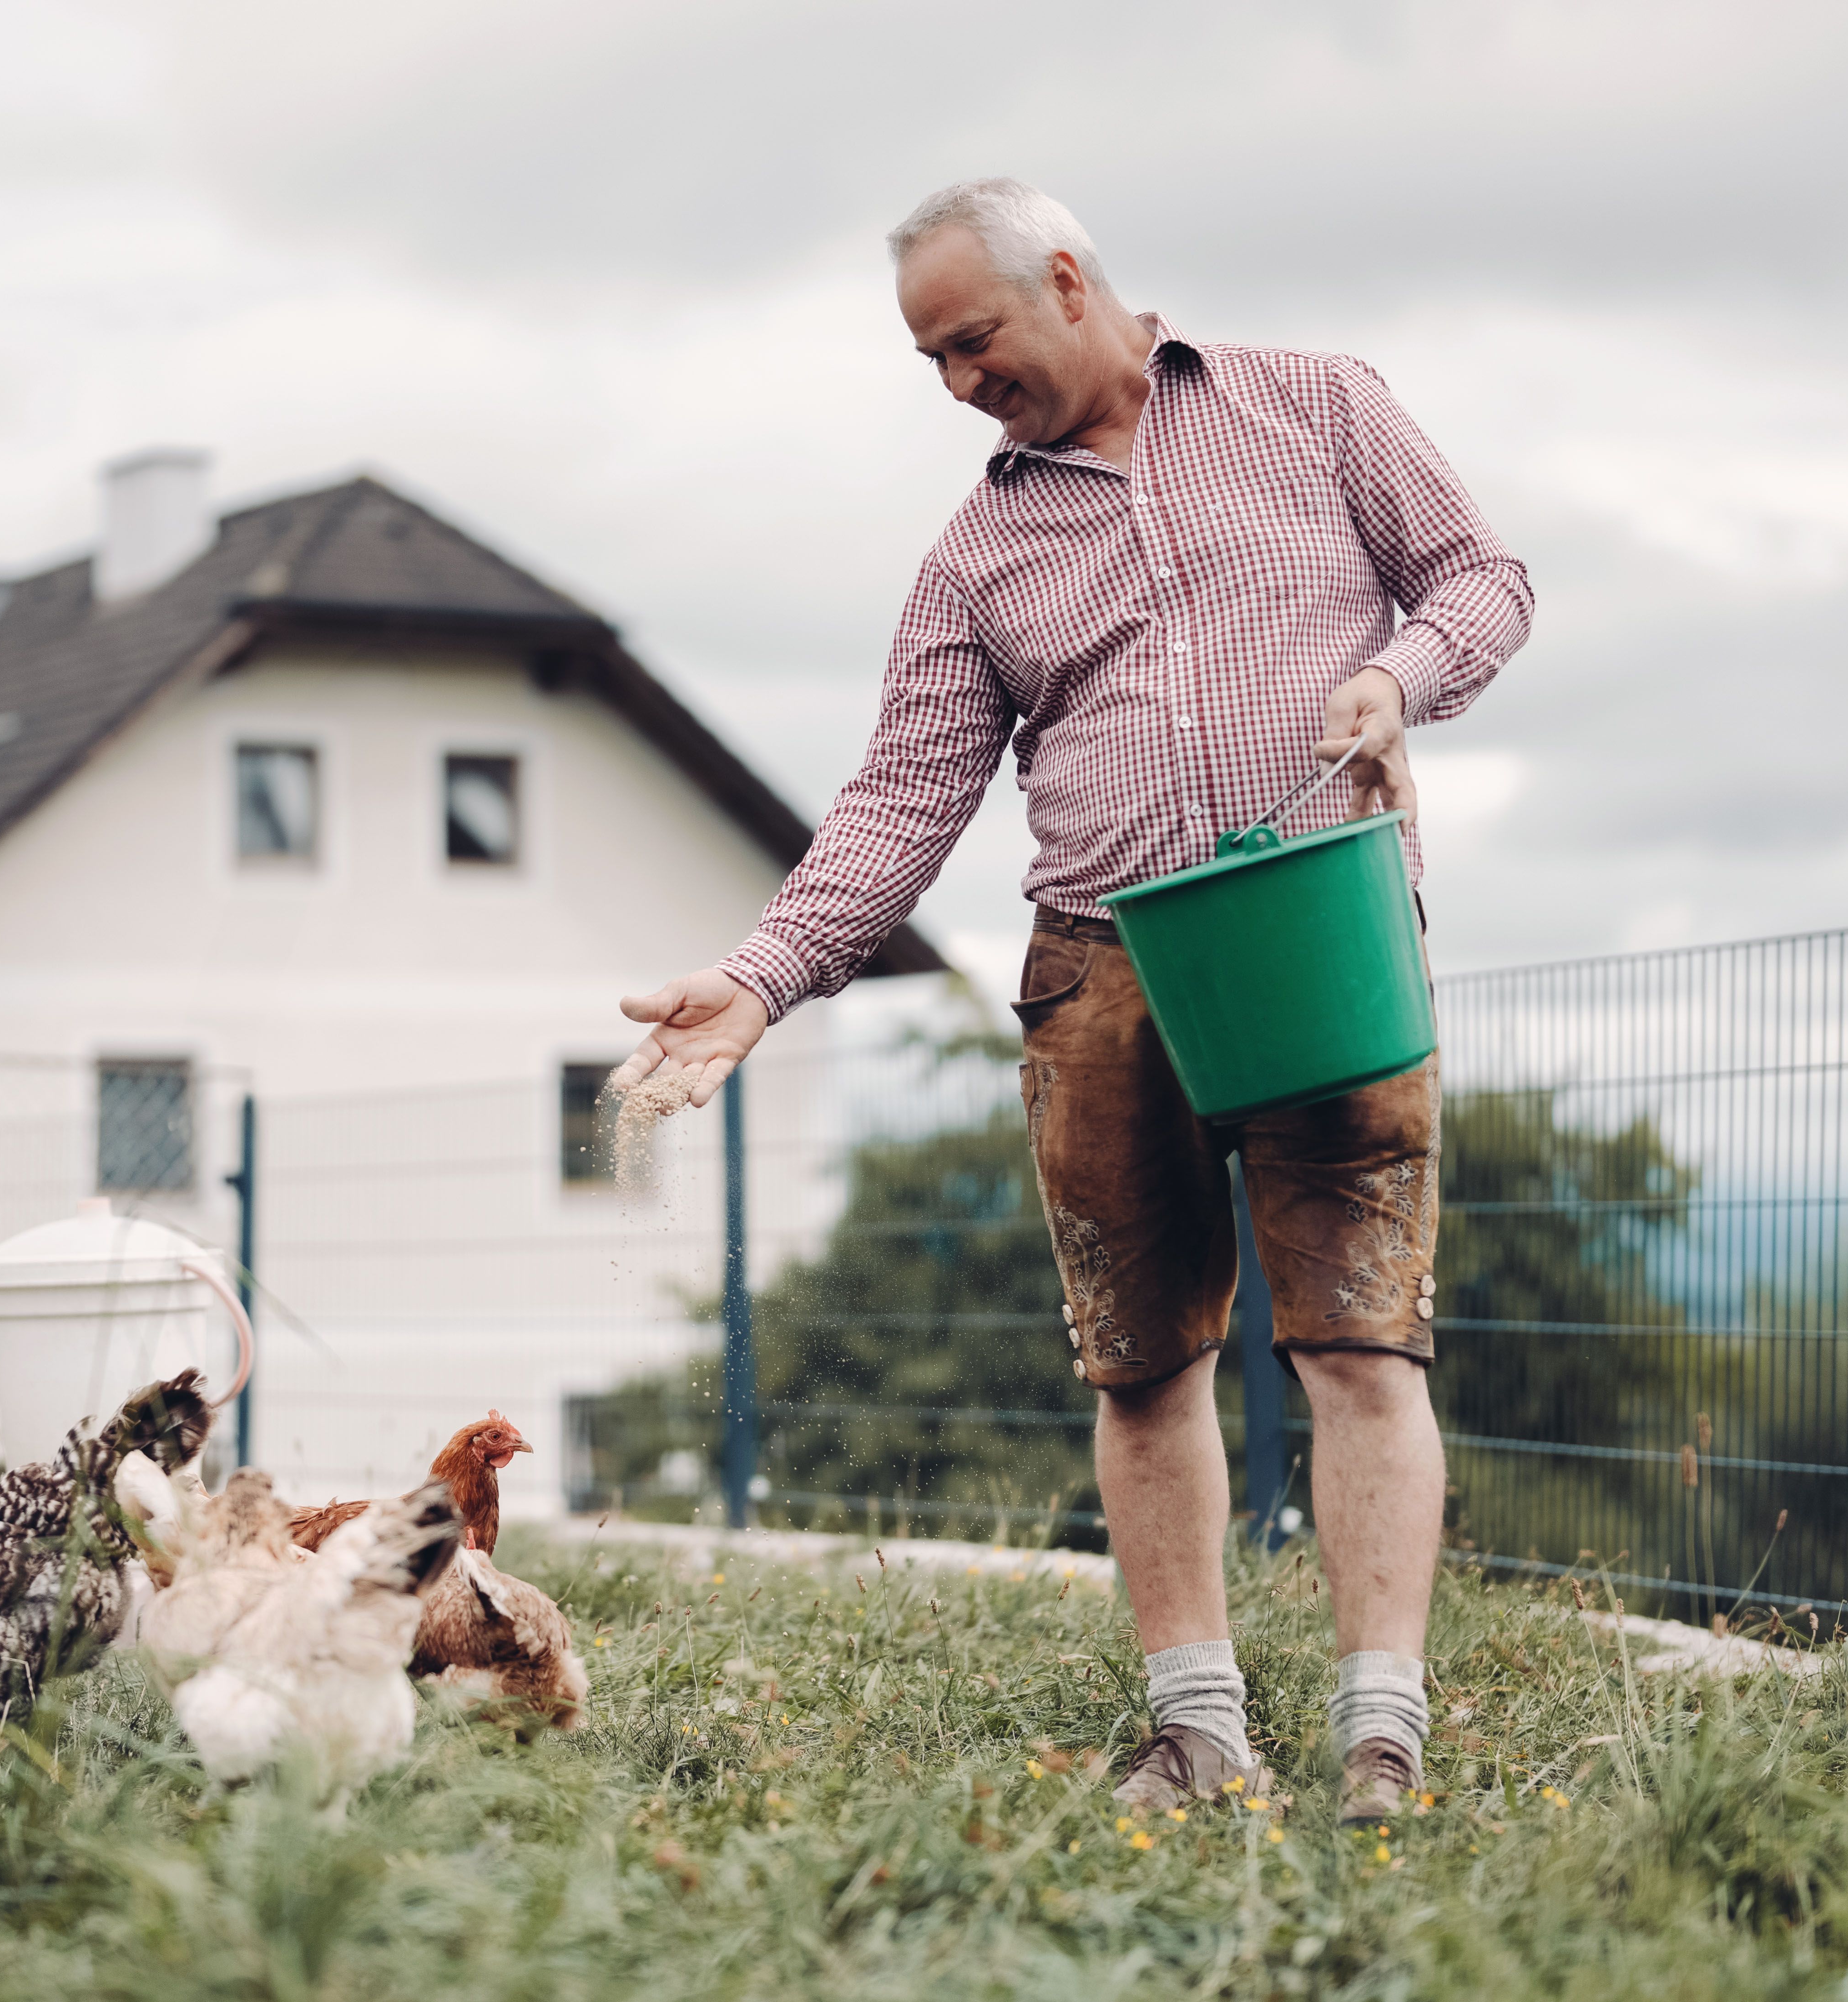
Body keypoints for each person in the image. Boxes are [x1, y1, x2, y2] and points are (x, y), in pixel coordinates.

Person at [616, 177, 1532, 1824]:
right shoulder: (975, 557)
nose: (961, 383)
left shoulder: (1317, 406)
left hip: (1321, 939)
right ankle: (1200, 1728)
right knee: (1141, 1365)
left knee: (1362, 1342)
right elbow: (902, 799)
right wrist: (762, 982)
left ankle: (1380, 1738)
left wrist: (1402, 677)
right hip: (1101, 973)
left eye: (973, 341)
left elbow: (1482, 577)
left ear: (1066, 280)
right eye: (932, 363)